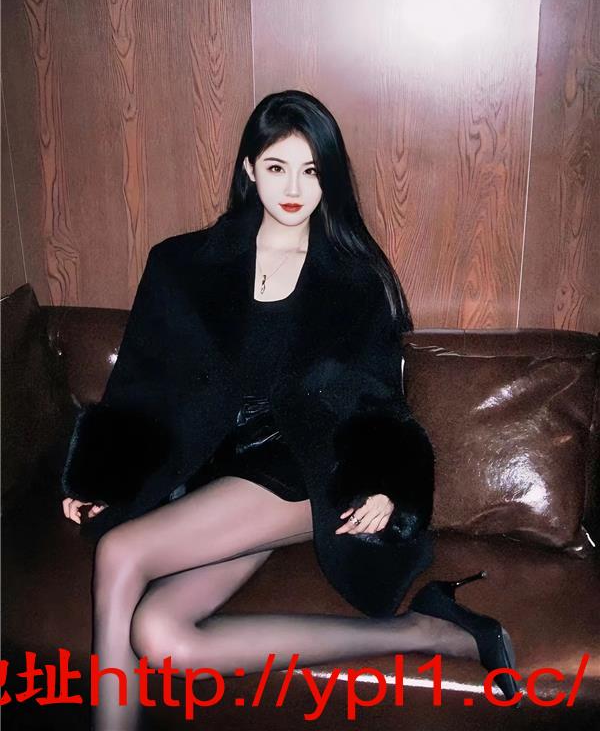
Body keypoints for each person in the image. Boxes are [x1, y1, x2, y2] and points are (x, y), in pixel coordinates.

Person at [61, 90, 519, 729]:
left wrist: (386, 482)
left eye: (312, 170)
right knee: (164, 639)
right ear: (250, 169)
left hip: (303, 467)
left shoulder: (355, 281)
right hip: (215, 472)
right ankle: (432, 631)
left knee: (120, 553)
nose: (295, 188)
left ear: (329, 179)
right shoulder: (181, 265)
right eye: (278, 167)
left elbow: (377, 397)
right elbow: (141, 378)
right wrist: (99, 476)